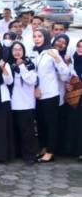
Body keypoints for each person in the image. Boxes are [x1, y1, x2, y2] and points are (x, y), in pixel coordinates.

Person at [32, 28, 68, 163]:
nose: (36, 38)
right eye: (35, 36)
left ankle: (51, 151)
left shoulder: (52, 52)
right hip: (37, 95)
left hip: (51, 95)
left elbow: (64, 75)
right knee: (40, 123)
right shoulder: (33, 52)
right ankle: (43, 147)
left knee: (50, 124)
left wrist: (58, 59)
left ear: (45, 37)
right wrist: (36, 87)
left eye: (39, 36)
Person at [5, 40, 38, 165]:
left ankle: (29, 155)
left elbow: (31, 80)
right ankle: (17, 153)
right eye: (14, 50)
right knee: (15, 130)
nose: (17, 52)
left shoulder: (29, 64)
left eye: (20, 49)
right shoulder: (8, 64)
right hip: (12, 103)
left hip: (26, 104)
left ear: (23, 51)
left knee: (27, 132)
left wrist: (22, 66)